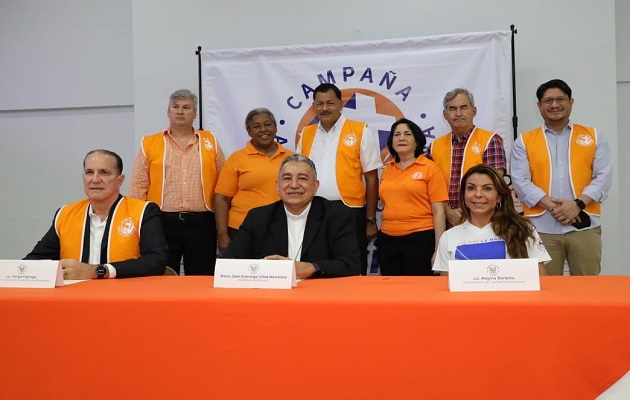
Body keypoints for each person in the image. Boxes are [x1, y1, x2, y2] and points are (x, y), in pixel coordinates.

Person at [511, 79, 613, 275]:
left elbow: (603, 176)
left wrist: (577, 205)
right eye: (548, 101)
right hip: (541, 229)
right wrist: (554, 206)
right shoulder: (524, 141)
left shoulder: (593, 136)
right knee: (545, 291)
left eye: (560, 99)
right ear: (539, 106)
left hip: (584, 226)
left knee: (587, 289)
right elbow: (520, 180)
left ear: (571, 102)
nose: (555, 105)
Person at [24, 150, 167, 279]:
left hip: (125, 298)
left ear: (120, 180)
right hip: (74, 298)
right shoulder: (65, 214)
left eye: (104, 172)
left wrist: (98, 271)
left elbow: (156, 261)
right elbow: (34, 260)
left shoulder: (143, 211)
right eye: (89, 172)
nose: (95, 179)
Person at [128, 89, 224, 275]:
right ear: (168, 111)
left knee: (201, 278)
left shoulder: (209, 141)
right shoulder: (149, 143)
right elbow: (138, 186)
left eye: (186, 107)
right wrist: (139, 226)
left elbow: (223, 182)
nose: (180, 111)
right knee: (162, 275)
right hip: (161, 221)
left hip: (202, 222)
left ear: (195, 113)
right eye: (176, 107)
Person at [223, 154, 361, 278]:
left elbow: (350, 265)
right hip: (271, 297)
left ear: (315, 186)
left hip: (320, 296)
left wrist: (311, 268)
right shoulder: (258, 217)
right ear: (277, 186)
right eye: (287, 178)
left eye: (302, 178)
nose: (294, 185)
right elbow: (230, 263)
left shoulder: (337, 215)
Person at [296, 83, 383, 274]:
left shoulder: (360, 131)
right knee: (315, 263)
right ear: (314, 106)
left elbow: (371, 179)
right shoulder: (307, 134)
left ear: (341, 104)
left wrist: (370, 220)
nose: (325, 108)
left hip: (349, 211)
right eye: (319, 104)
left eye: (330, 103)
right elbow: (298, 174)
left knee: (352, 263)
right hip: (313, 210)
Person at [433, 165, 550, 275]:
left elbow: (540, 279)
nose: (478, 194)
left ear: (499, 197)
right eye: (471, 188)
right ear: (464, 195)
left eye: (487, 189)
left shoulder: (523, 230)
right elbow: (447, 286)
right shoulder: (448, 237)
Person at [214, 108, 293, 254]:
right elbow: (222, 199)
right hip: (241, 229)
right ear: (249, 132)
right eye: (256, 126)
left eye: (268, 124)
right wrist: (222, 235)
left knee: (277, 275)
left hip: (282, 228)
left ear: (275, 128)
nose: (263, 129)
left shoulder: (291, 159)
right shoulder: (236, 159)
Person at [426, 88, 507, 228]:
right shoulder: (434, 147)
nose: (458, 113)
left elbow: (494, 184)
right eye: (452, 109)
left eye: (463, 107)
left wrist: (468, 213)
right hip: (443, 221)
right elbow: (427, 186)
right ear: (445, 115)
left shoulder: (490, 140)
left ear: (474, 111)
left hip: (483, 221)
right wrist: (447, 210)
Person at [376, 118, 448, 276]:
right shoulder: (387, 170)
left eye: (407, 134)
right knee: (392, 294)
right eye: (397, 134)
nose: (401, 138)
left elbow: (439, 211)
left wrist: (439, 250)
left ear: (417, 141)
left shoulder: (430, 168)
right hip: (388, 240)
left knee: (419, 293)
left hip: (420, 239)